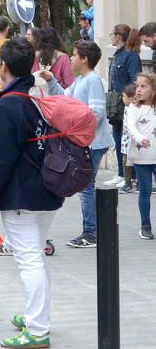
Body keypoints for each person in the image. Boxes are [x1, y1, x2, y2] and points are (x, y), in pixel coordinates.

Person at [0, 37, 63, 349]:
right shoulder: (36, 96)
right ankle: (37, 316)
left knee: (29, 260)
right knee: (35, 257)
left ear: (4, 66)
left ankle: (37, 329)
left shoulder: (8, 105)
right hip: (47, 189)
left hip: (23, 195)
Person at [40, 41, 112, 249]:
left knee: (86, 186)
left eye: (73, 55)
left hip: (93, 143)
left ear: (84, 59)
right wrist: (52, 80)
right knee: (86, 185)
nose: (70, 58)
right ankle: (94, 229)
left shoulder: (93, 81)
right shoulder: (81, 80)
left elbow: (97, 112)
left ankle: (91, 232)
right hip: (86, 141)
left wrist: (77, 130)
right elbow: (64, 98)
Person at [103, 25, 141, 188]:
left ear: (118, 36)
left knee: (125, 140)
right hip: (116, 104)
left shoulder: (131, 56)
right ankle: (121, 173)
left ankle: (129, 175)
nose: (111, 36)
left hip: (125, 103)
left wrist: (129, 99)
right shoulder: (117, 55)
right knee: (118, 138)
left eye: (112, 34)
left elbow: (135, 80)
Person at [125, 73, 156, 239]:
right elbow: (130, 127)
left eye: (143, 86)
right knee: (145, 191)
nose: (138, 90)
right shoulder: (134, 108)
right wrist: (140, 138)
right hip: (141, 157)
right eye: (137, 86)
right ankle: (145, 225)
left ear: (153, 88)